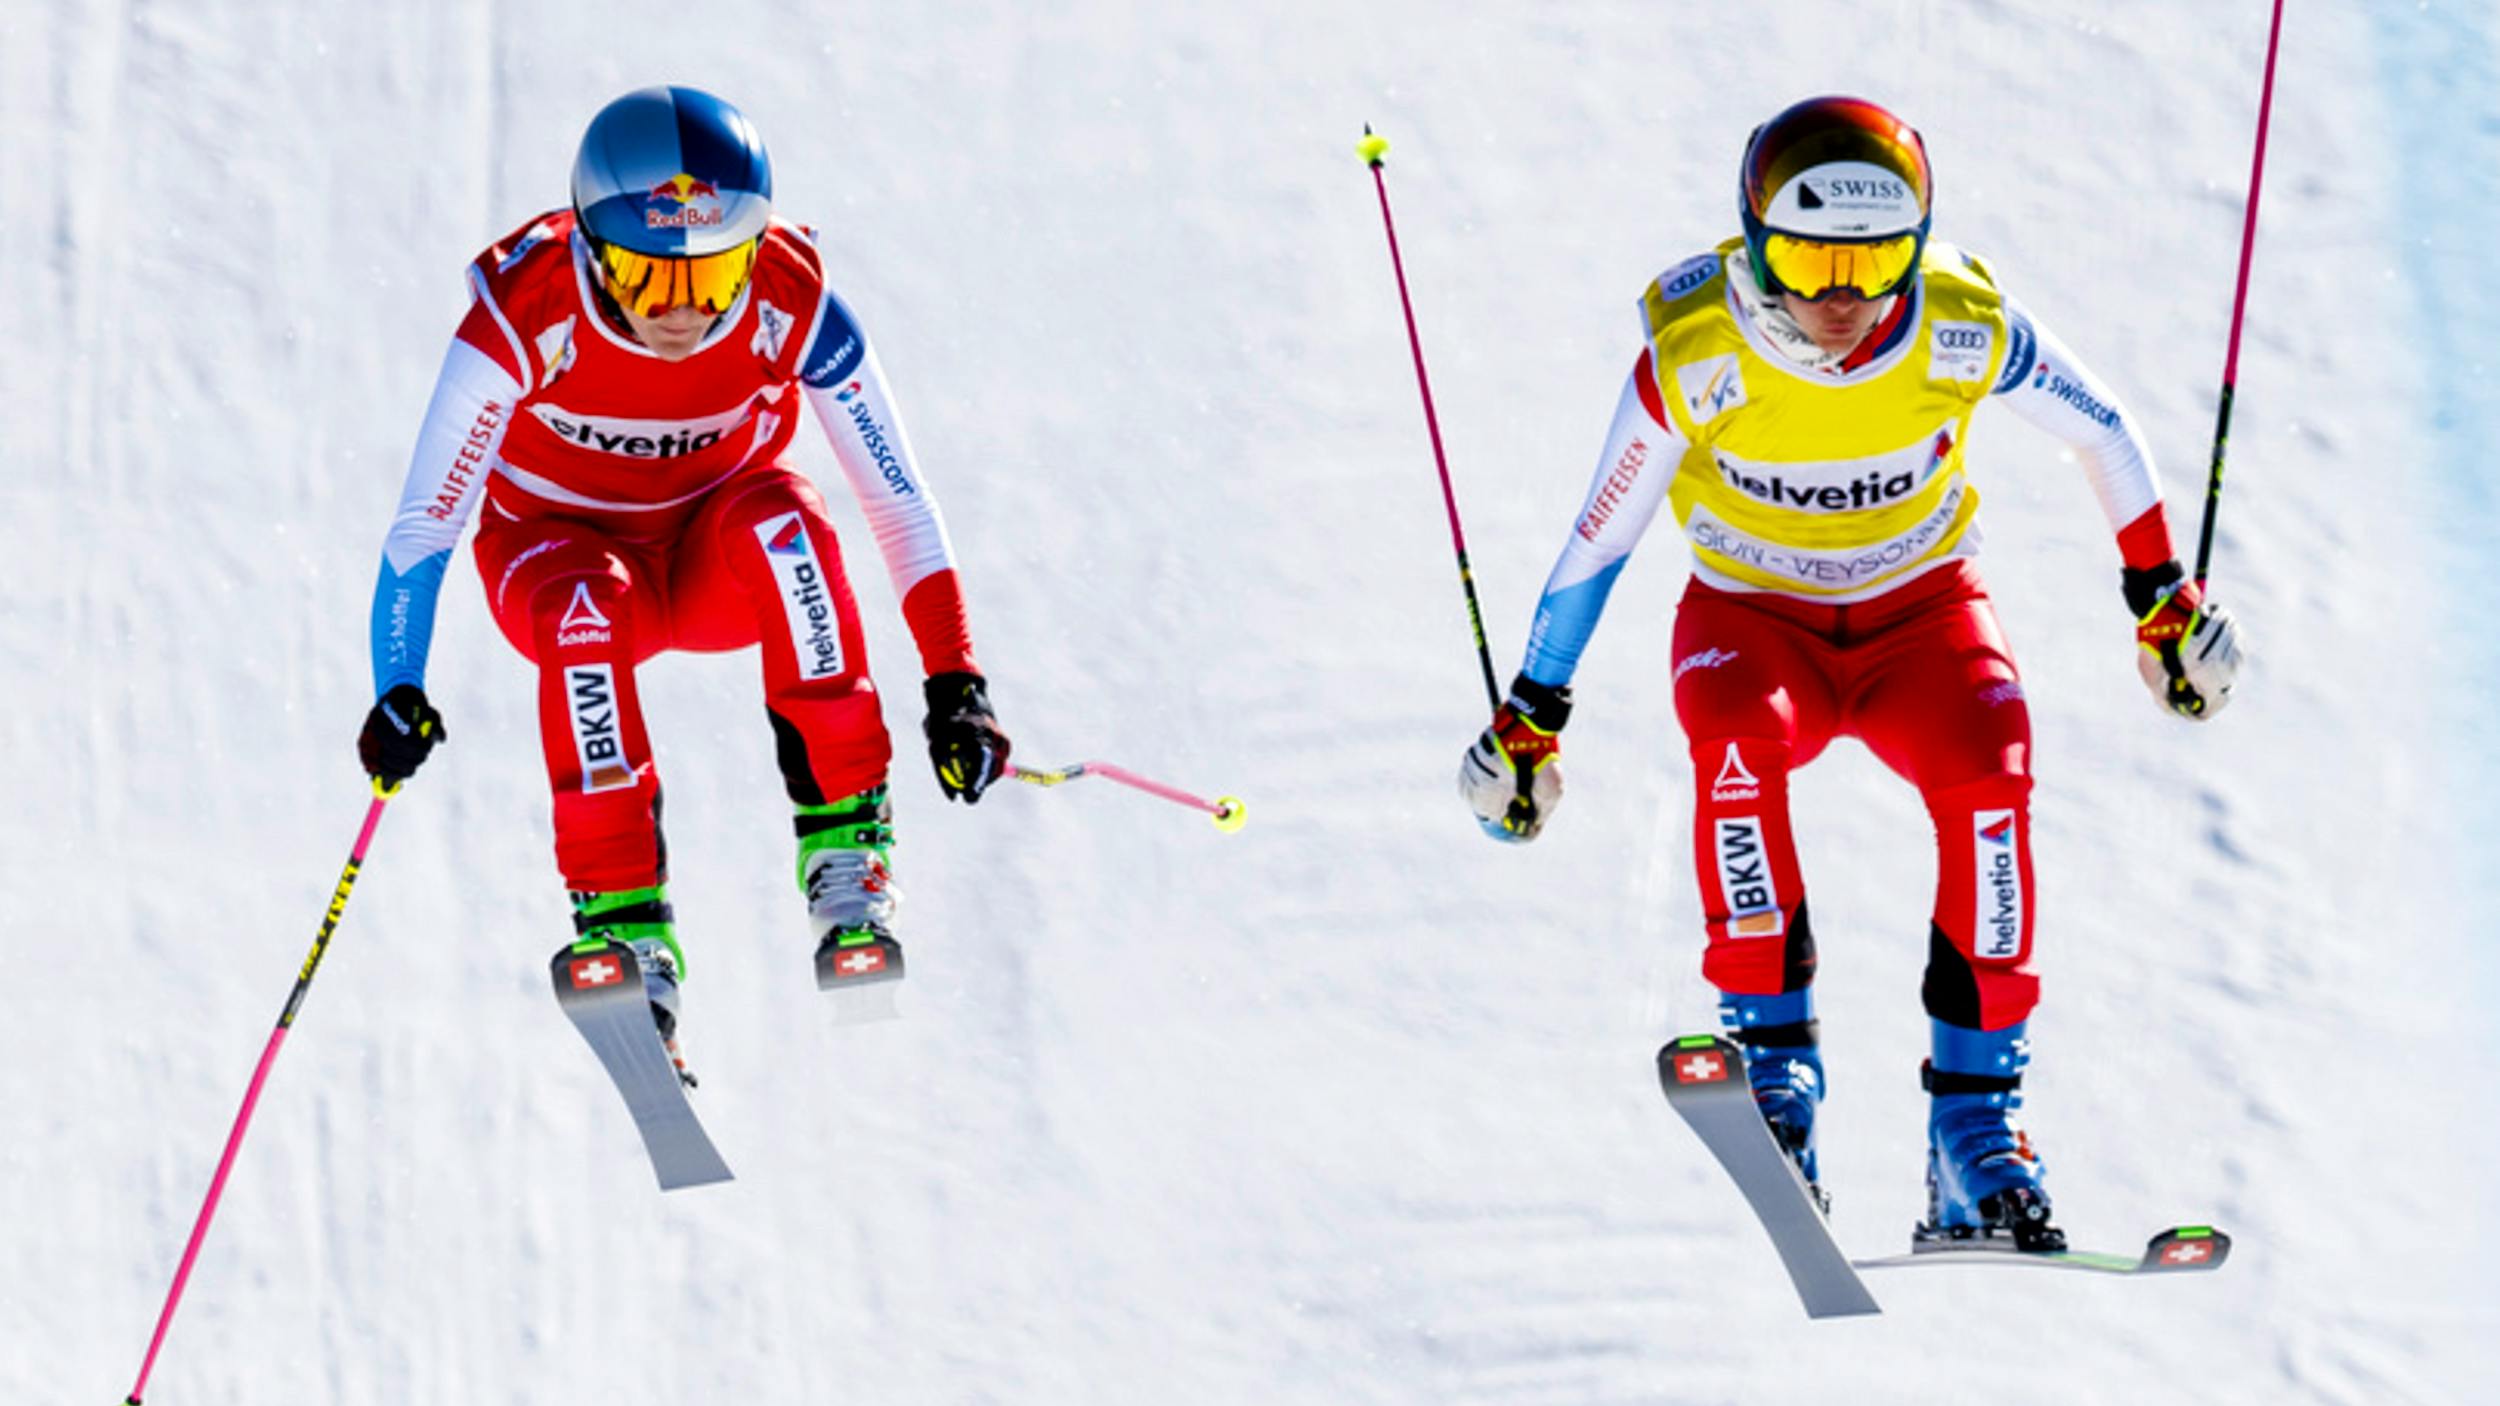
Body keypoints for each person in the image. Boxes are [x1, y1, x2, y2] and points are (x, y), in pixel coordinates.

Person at [1457, 95, 2242, 1250]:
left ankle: (1975, 1132)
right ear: (1754, 239)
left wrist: (2161, 599)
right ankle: (1776, 1073)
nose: (1839, 295)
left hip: (1920, 617)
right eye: (1807, 257)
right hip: (1752, 619)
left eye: (1873, 262)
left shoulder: (1959, 326)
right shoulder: (1697, 350)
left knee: (1990, 767)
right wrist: (1531, 712)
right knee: (1733, 731)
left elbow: (2103, 430)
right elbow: (1601, 534)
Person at [357, 85, 1012, 1077]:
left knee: (788, 519)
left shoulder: (791, 302)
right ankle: (625, 928)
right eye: (646, 277)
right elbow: (425, 523)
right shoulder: (524, 315)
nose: (684, 313)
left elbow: (897, 498)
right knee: (587, 606)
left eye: (715, 277)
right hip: (556, 551)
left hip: (711, 557)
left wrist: (955, 680)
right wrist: (397, 686)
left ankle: (848, 855)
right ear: (589, 249)